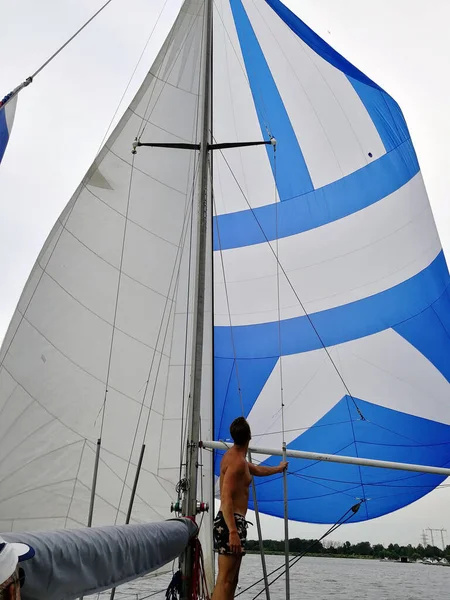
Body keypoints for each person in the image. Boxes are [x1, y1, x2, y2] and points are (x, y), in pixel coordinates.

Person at [212, 417, 288, 600]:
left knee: (233, 579)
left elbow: (256, 469)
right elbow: (226, 497)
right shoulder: (236, 462)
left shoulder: (238, 458)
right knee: (225, 579)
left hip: (235, 522)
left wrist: (278, 469)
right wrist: (232, 532)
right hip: (229, 522)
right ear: (250, 436)